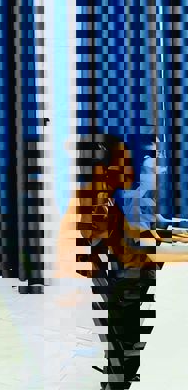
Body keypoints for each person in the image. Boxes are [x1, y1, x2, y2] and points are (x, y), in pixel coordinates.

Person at [76, 133, 188, 390]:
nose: (130, 168)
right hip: (119, 279)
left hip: (124, 276)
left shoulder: (109, 197)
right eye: (124, 162)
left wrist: (171, 237)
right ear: (105, 169)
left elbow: (132, 234)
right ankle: (117, 380)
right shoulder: (97, 202)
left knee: (123, 335)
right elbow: (123, 246)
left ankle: (121, 374)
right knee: (120, 336)